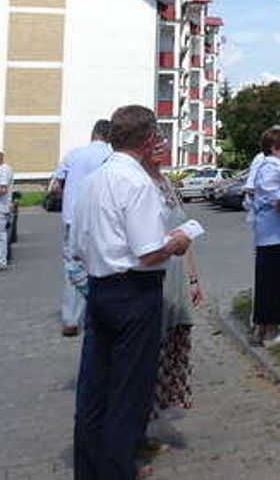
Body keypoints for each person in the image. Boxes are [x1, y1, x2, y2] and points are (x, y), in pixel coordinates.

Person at [71, 105, 193, 480]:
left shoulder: (95, 179)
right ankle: (118, 468)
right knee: (129, 390)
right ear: (147, 139)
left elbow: (77, 244)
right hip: (135, 291)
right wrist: (177, 243)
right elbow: (149, 250)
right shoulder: (137, 183)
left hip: (100, 287)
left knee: (95, 388)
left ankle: (90, 468)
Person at [140, 134, 204, 454]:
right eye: (156, 146)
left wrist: (193, 278)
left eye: (165, 145)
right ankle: (142, 427)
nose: (163, 150)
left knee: (174, 344)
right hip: (155, 276)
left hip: (177, 276)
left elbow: (185, 231)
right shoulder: (140, 186)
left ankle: (157, 416)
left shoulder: (166, 183)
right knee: (152, 350)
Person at [51, 120, 113, 337]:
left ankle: (70, 319)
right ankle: (98, 314)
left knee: (72, 266)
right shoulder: (111, 156)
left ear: (93, 133)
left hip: (72, 218)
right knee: (101, 266)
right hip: (100, 219)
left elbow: (56, 185)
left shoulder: (73, 154)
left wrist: (67, 197)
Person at [251, 125, 280, 346]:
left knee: (276, 281)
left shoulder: (277, 166)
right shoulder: (271, 168)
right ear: (275, 147)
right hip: (274, 235)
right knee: (273, 283)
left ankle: (266, 328)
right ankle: (270, 331)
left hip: (279, 234)